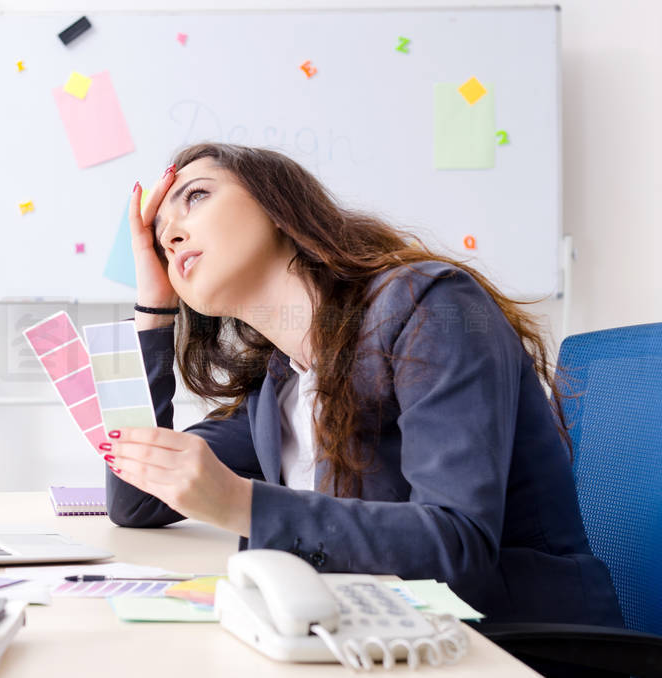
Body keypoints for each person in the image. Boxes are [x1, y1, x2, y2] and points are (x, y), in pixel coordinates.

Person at [100, 142, 622, 627]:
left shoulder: (431, 307)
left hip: (514, 643)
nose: (169, 236)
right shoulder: (280, 382)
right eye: (161, 235)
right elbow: (136, 500)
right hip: (378, 635)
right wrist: (152, 309)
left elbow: (459, 548)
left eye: (196, 196)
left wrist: (242, 504)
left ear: (279, 206)